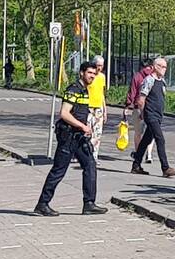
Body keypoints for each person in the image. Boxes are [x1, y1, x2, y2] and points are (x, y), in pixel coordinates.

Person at [34, 61, 108, 217]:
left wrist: (84, 128)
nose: (92, 76)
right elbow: (64, 113)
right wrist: (82, 126)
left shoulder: (85, 91)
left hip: (79, 137)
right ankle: (42, 204)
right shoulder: (73, 90)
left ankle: (89, 203)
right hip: (68, 136)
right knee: (59, 170)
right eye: (89, 73)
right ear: (81, 72)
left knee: (90, 166)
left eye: (94, 74)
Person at [131, 57, 175, 178]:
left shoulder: (162, 81)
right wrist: (142, 113)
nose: (164, 69)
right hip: (150, 115)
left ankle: (136, 164)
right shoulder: (149, 80)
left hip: (158, 115)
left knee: (146, 140)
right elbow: (141, 99)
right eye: (162, 66)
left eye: (165, 67)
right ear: (155, 66)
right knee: (160, 139)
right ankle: (165, 168)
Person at [125, 58, 154, 164]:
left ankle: (138, 153)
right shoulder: (154, 77)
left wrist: (128, 105)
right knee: (151, 132)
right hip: (151, 108)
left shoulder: (137, 76)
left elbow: (132, 92)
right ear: (151, 66)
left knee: (138, 133)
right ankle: (149, 154)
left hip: (138, 107)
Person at [88, 55, 107, 161]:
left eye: (101, 65)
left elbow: (102, 93)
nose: (99, 68)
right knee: (87, 132)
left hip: (98, 107)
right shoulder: (90, 75)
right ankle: (84, 154)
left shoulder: (102, 77)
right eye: (98, 65)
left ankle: (94, 156)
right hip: (88, 106)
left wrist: (105, 110)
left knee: (98, 133)